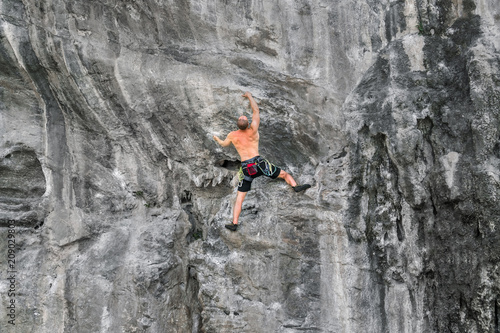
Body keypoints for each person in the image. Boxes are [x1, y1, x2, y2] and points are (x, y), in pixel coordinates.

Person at [213, 92, 311, 231]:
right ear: (248, 124)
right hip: (259, 164)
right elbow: (256, 110)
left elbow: (223, 144)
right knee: (284, 174)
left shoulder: (232, 135)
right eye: (244, 117)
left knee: (240, 198)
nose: (243, 116)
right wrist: (249, 96)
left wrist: (217, 139)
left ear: (237, 125)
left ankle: (234, 223)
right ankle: (295, 186)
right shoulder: (252, 130)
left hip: (246, 168)